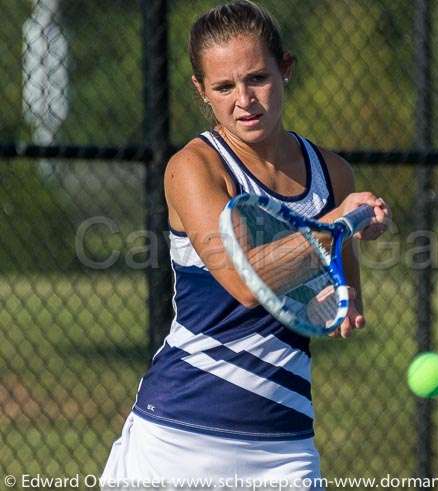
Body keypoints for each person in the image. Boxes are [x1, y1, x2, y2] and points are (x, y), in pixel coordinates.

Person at [100, 1, 390, 489]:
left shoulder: (332, 173)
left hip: (285, 447)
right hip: (177, 442)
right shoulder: (194, 168)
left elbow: (337, 292)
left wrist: (343, 293)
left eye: (257, 78)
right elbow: (244, 280)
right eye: (224, 86)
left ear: (286, 69)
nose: (244, 100)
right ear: (201, 91)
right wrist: (336, 223)